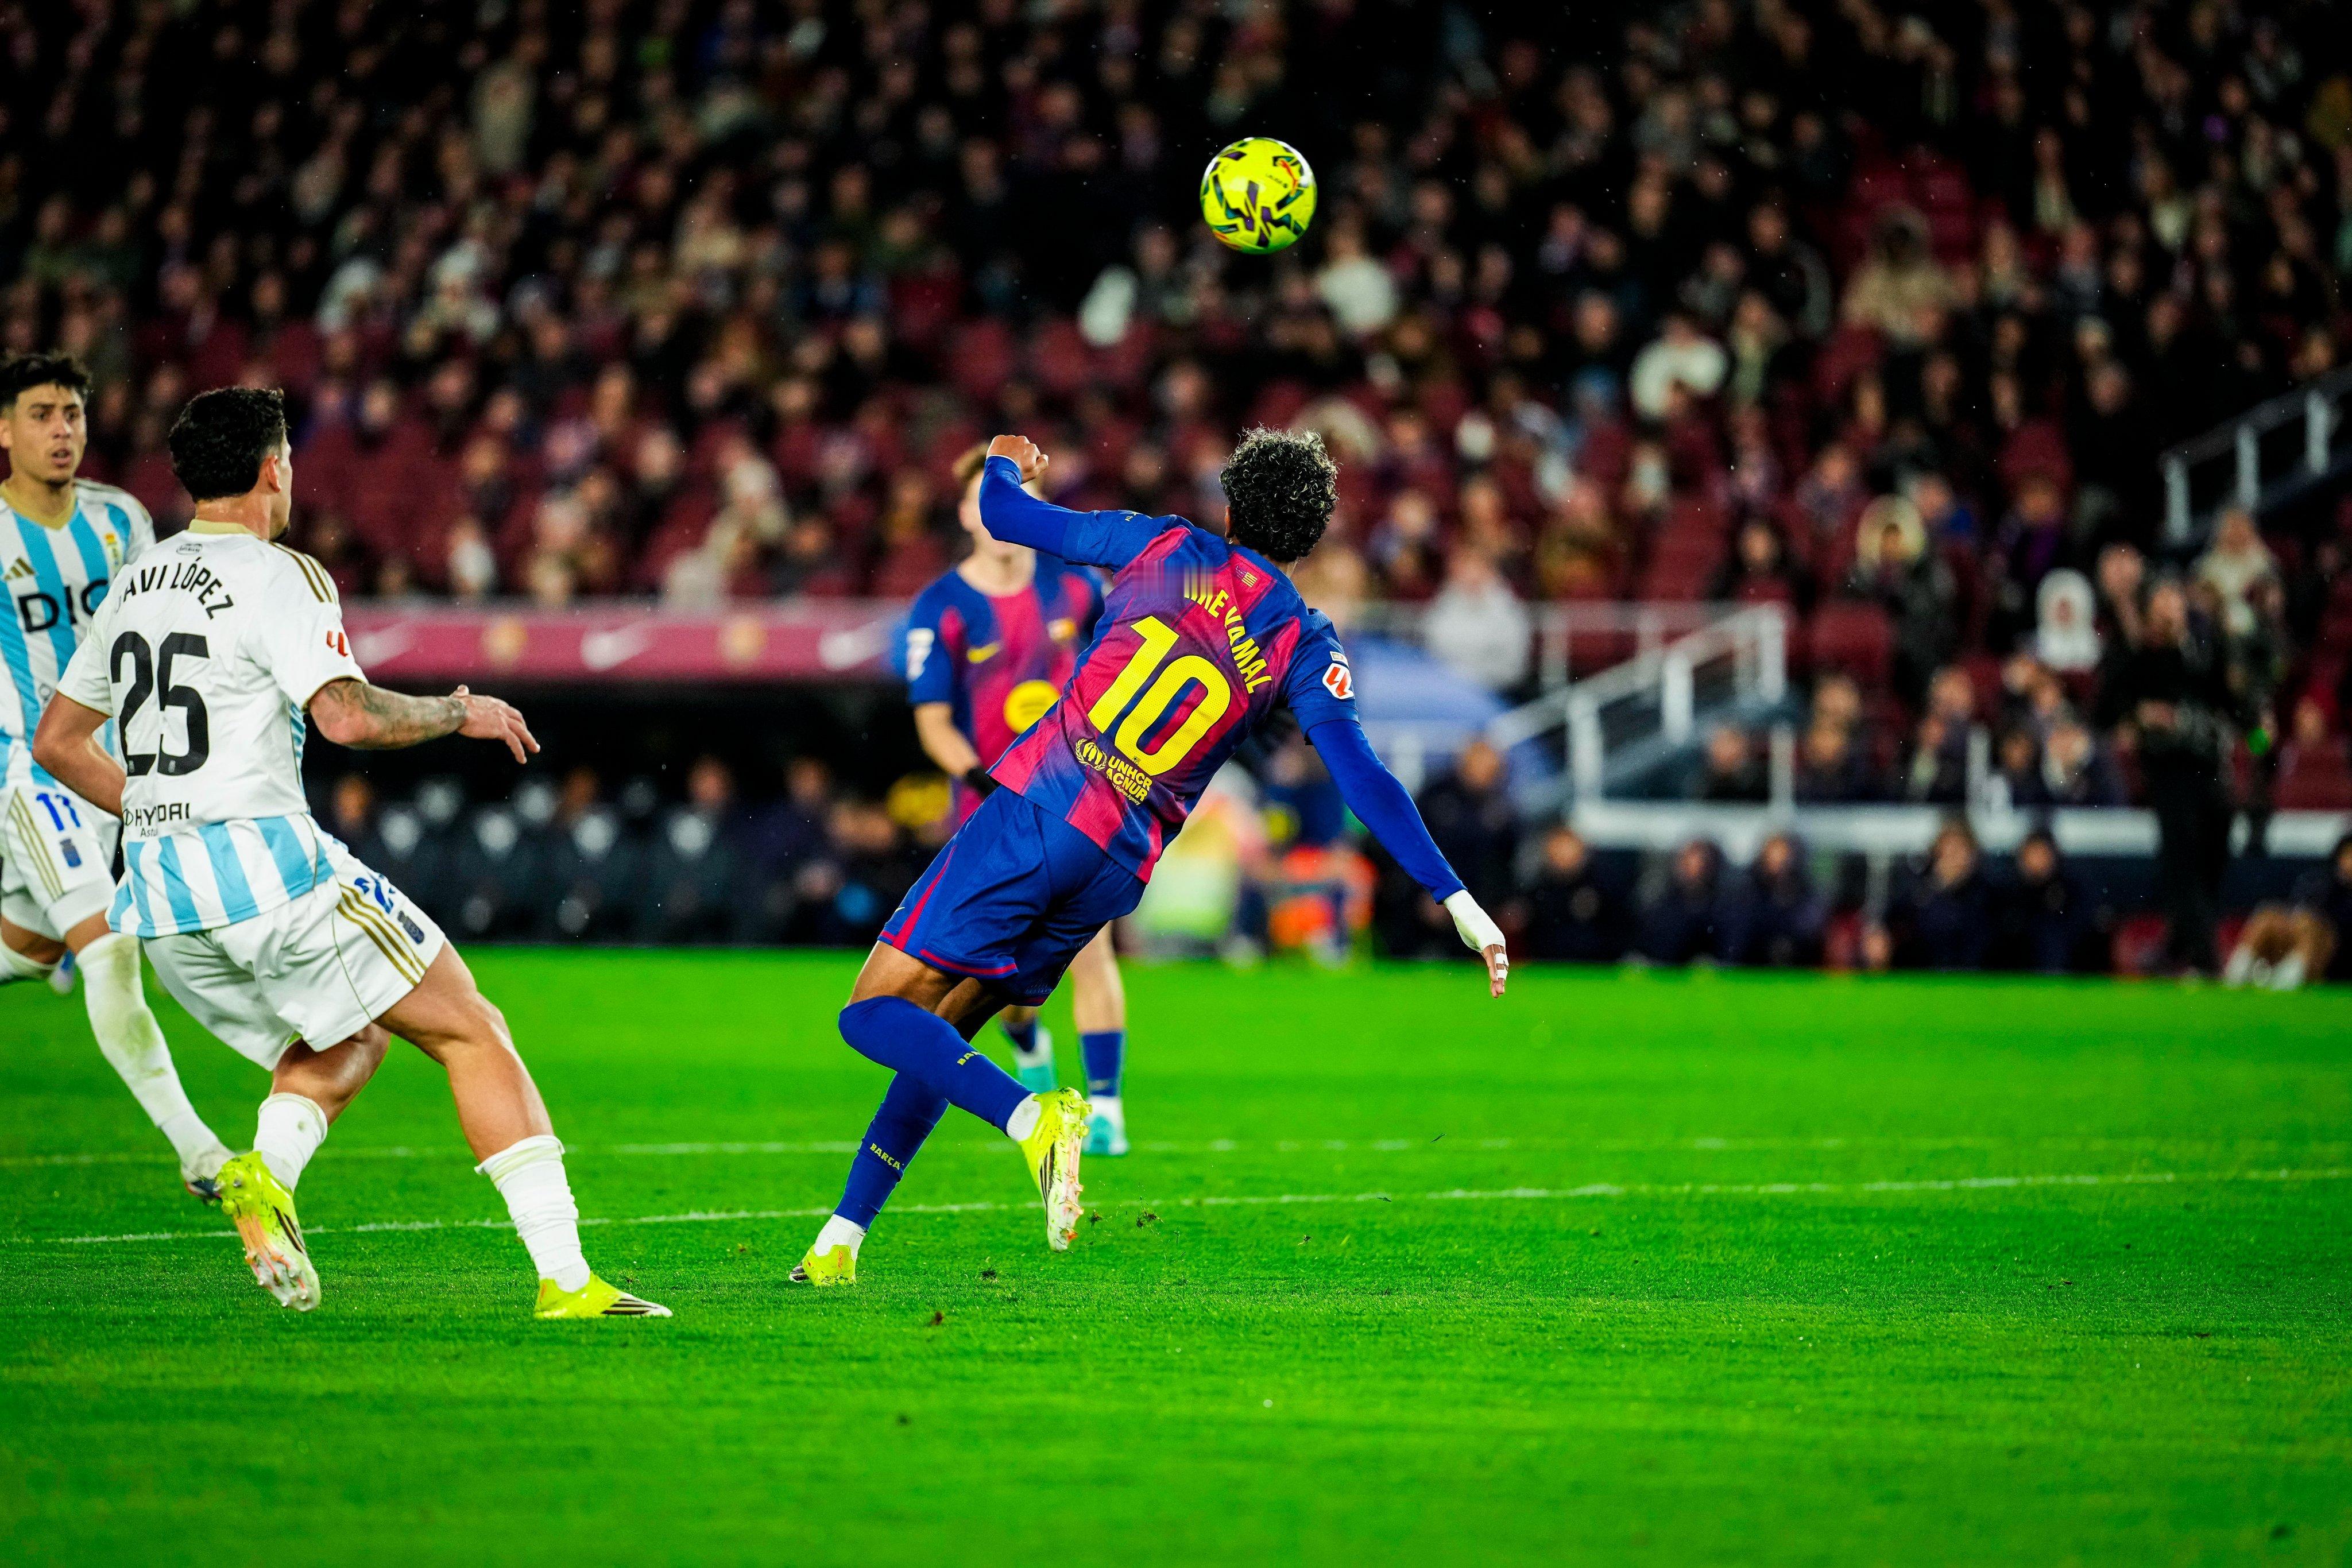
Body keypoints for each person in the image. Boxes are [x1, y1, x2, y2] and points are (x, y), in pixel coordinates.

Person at [792, 428, 1508, 1287]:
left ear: (1230, 505)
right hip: (1117, 865)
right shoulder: (1306, 641)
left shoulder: (1167, 547)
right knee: (942, 1032)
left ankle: (1030, 1117)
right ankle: (840, 1240)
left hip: (1044, 807)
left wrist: (1003, 456)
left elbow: (1006, 514)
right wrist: (1456, 896)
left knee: (871, 1012)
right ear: (1312, 539)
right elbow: (1364, 776)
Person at [33, 387, 664, 1321]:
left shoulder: (138, 581)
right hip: (269, 875)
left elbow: (56, 741)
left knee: (349, 1031)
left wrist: (162, 811)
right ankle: (568, 1281)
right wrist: (458, 710)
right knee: (472, 1028)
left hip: (162, 903)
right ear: (272, 469)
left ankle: (266, 1174)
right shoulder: (283, 573)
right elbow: (346, 714)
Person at [0, 353, 234, 1201]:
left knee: (31, 949)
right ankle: (200, 1150)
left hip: (113, 769)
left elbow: (161, 625)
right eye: (41, 414)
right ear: (4, 430)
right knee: (108, 943)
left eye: (71, 412)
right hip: (27, 768)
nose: (61, 430)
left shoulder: (119, 518)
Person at [899, 443, 1134, 1154]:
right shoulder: (941, 606)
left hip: (1077, 798)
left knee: (1092, 949)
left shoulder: (1076, 589)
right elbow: (933, 722)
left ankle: (1107, 1112)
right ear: (966, 515)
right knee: (1001, 978)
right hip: (989, 808)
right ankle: (1030, 1048)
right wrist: (981, 778)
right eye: (983, 500)